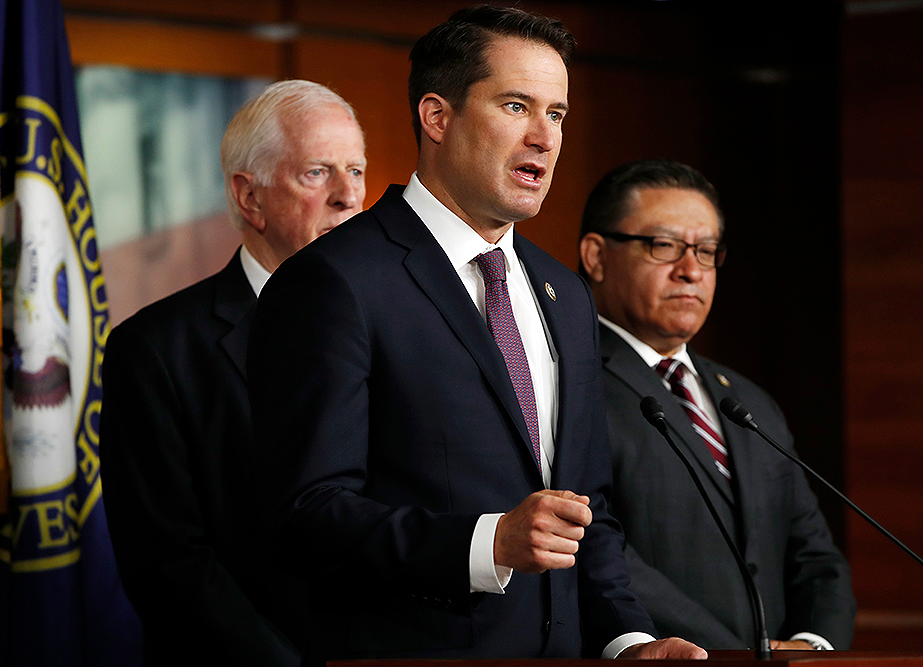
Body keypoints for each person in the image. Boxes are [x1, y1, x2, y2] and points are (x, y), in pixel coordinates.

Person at [248, 7, 705, 663]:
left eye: (557, 114)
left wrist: (626, 638)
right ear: (438, 117)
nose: (544, 137)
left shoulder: (565, 293)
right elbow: (306, 516)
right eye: (517, 106)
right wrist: (487, 543)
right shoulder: (335, 281)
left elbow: (587, 509)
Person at [99, 80, 367, 665]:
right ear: (249, 198)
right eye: (318, 172)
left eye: (357, 171)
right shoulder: (154, 351)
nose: (350, 197)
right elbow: (168, 566)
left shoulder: (398, 326)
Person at [578, 158, 856, 650]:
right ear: (597, 256)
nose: (691, 270)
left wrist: (813, 645)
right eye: (663, 245)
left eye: (706, 251)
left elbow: (815, 557)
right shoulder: (569, 382)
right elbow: (596, 544)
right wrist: (737, 655)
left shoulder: (748, 400)